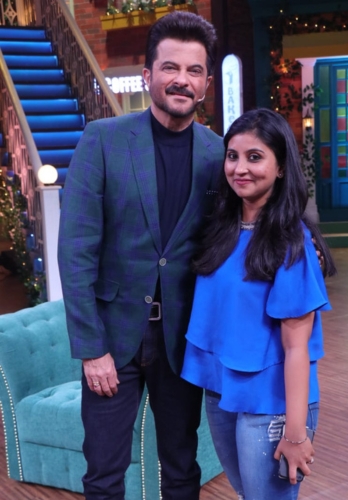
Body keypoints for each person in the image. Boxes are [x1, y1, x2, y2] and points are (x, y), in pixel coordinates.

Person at [57, 11, 223, 500]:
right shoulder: (102, 140)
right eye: (170, 67)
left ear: (206, 84)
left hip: (181, 339)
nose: (182, 79)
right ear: (148, 75)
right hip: (112, 339)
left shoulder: (219, 154)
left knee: (182, 469)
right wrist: (91, 349)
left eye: (194, 71)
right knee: (103, 475)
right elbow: (75, 252)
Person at [181, 108, 337, 500]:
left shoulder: (292, 242)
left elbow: (297, 347)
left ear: (281, 167)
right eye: (233, 156)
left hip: (272, 402)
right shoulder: (222, 230)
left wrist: (296, 434)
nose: (240, 168)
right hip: (222, 390)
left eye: (255, 157)